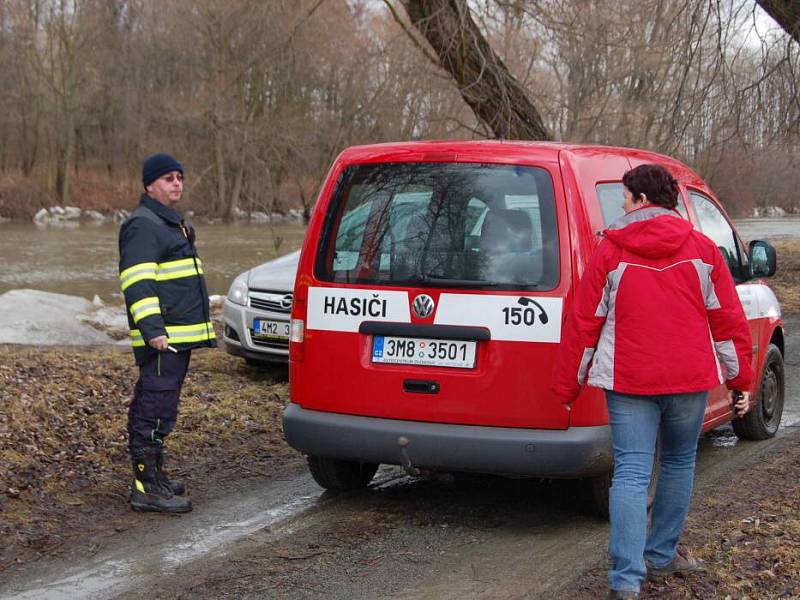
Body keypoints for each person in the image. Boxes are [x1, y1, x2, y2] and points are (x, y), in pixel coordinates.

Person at [552, 164, 753, 599]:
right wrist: (740, 381)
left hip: (629, 380)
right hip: (687, 380)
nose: (621, 207)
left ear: (641, 200)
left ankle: (626, 580)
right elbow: (728, 322)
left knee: (631, 473)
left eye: (625, 198)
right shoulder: (703, 249)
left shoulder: (610, 252)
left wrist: (568, 387)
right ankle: (661, 556)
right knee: (679, 463)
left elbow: (584, 324)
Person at [118, 153, 217, 513]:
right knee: (155, 407)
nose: (176, 183)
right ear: (149, 185)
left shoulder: (170, 223)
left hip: (178, 335)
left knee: (161, 404)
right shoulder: (143, 225)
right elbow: (137, 283)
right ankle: (146, 486)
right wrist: (153, 331)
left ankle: (154, 475)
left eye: (179, 177)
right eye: (168, 178)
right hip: (164, 339)